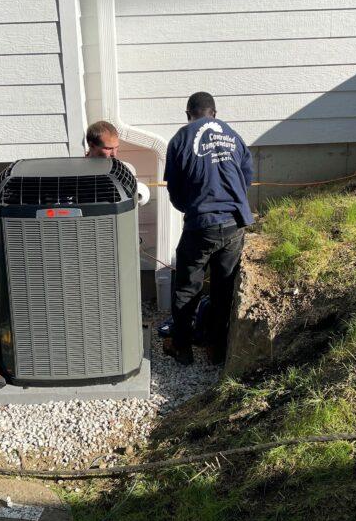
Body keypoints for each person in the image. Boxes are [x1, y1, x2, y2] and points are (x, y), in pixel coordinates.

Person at [163, 92, 253, 366]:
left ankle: (182, 348)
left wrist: (192, 209)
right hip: (234, 223)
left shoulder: (180, 139)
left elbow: (175, 190)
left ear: (188, 114)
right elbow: (246, 177)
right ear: (214, 113)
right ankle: (216, 349)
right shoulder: (233, 136)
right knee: (223, 289)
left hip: (201, 225)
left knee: (187, 287)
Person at [85, 120, 149, 206]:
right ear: (92, 145)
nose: (114, 154)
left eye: (116, 148)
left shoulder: (122, 170)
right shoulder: (77, 170)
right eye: (108, 148)